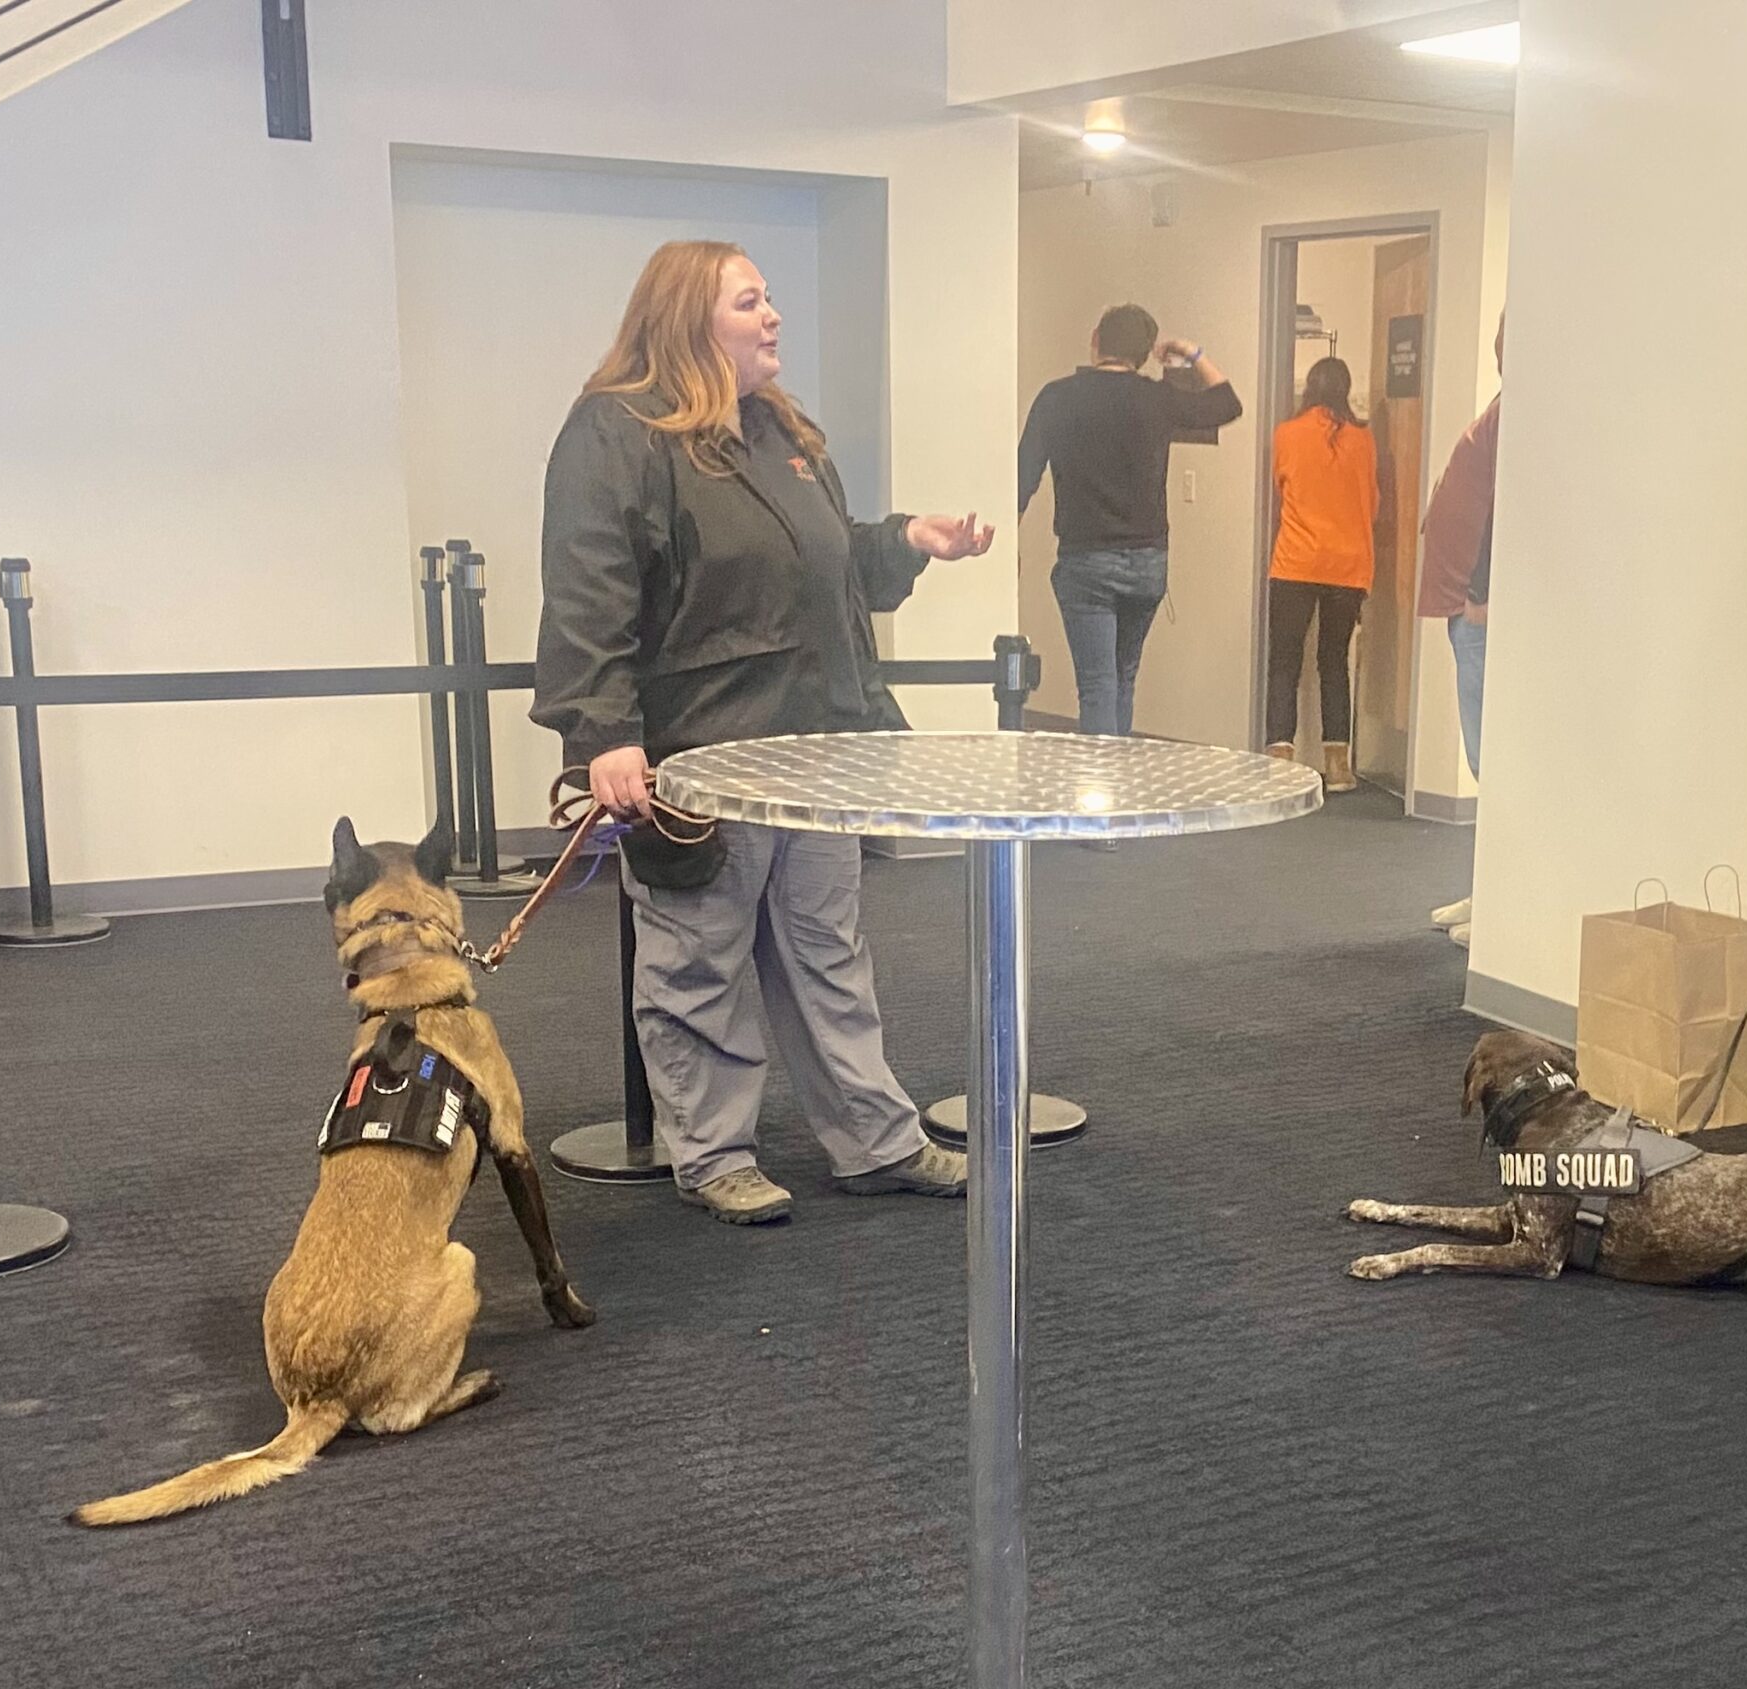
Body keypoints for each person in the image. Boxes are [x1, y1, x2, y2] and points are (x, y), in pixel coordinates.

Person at [531, 240, 997, 1225]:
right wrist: (603, 733)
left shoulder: (781, 431)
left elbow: (819, 570)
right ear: (689, 319)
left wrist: (903, 540)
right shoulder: (615, 433)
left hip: (819, 746)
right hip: (703, 755)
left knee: (829, 952)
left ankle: (874, 1141)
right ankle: (711, 1153)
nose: (772, 315)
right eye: (750, 301)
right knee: (697, 958)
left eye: (769, 298)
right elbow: (588, 593)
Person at [1018, 304, 1242, 737]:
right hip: (1148, 562)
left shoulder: (1057, 397)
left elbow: (1024, 475)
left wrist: (1010, 545)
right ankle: (1119, 786)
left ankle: (1103, 795)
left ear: (1095, 339)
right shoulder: (1158, 398)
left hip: (1085, 561)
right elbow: (1227, 404)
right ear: (1144, 354)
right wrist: (1193, 354)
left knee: (1097, 685)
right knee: (1122, 678)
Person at [1417, 314, 1503, 947]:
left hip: (1477, 610)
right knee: (1486, 761)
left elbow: (1507, 505)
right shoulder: (1507, 407)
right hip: (1462, 603)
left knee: (1493, 761)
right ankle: (1493, 887)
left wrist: (1479, 593)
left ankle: (1504, 906)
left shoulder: (1523, 414)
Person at [1264, 356, 1380, 792]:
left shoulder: (1287, 434)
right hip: (1347, 567)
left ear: (1309, 388)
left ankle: (1280, 760)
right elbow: (1373, 504)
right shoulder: (1364, 441)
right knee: (1334, 662)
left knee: (1284, 662)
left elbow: (1281, 487)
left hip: (1295, 561)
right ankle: (1338, 766)